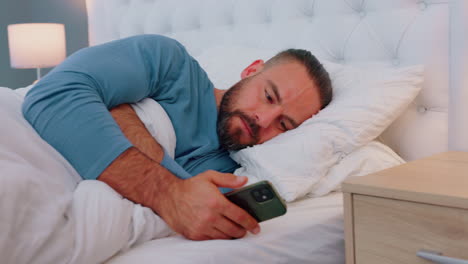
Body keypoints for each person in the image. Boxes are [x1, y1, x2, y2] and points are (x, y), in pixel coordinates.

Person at [22, 34, 332, 241]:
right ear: (251, 70)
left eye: (284, 125)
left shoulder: (231, 175)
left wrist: (119, 112)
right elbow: (53, 94)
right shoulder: (172, 65)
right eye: (268, 96)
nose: (263, 120)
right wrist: (168, 193)